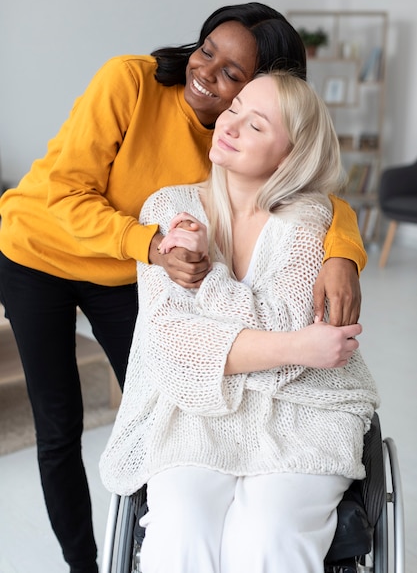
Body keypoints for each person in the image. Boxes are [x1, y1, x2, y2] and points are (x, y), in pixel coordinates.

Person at [0, 2, 366, 573]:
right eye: (206, 51)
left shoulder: (229, 138)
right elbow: (64, 194)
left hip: (134, 264)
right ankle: (81, 565)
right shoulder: (131, 82)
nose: (207, 75)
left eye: (233, 77)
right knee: (57, 421)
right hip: (40, 250)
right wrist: (149, 244)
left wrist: (342, 251)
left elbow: (313, 195)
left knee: (154, 400)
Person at [99, 70, 379, 573]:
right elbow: (175, 343)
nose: (230, 123)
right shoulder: (168, 208)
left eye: (256, 125)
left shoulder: (312, 219)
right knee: (179, 534)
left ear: (291, 154)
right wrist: (295, 345)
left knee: (268, 539)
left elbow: (285, 323)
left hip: (306, 409)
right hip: (193, 409)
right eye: (236, 108)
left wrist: (207, 278)